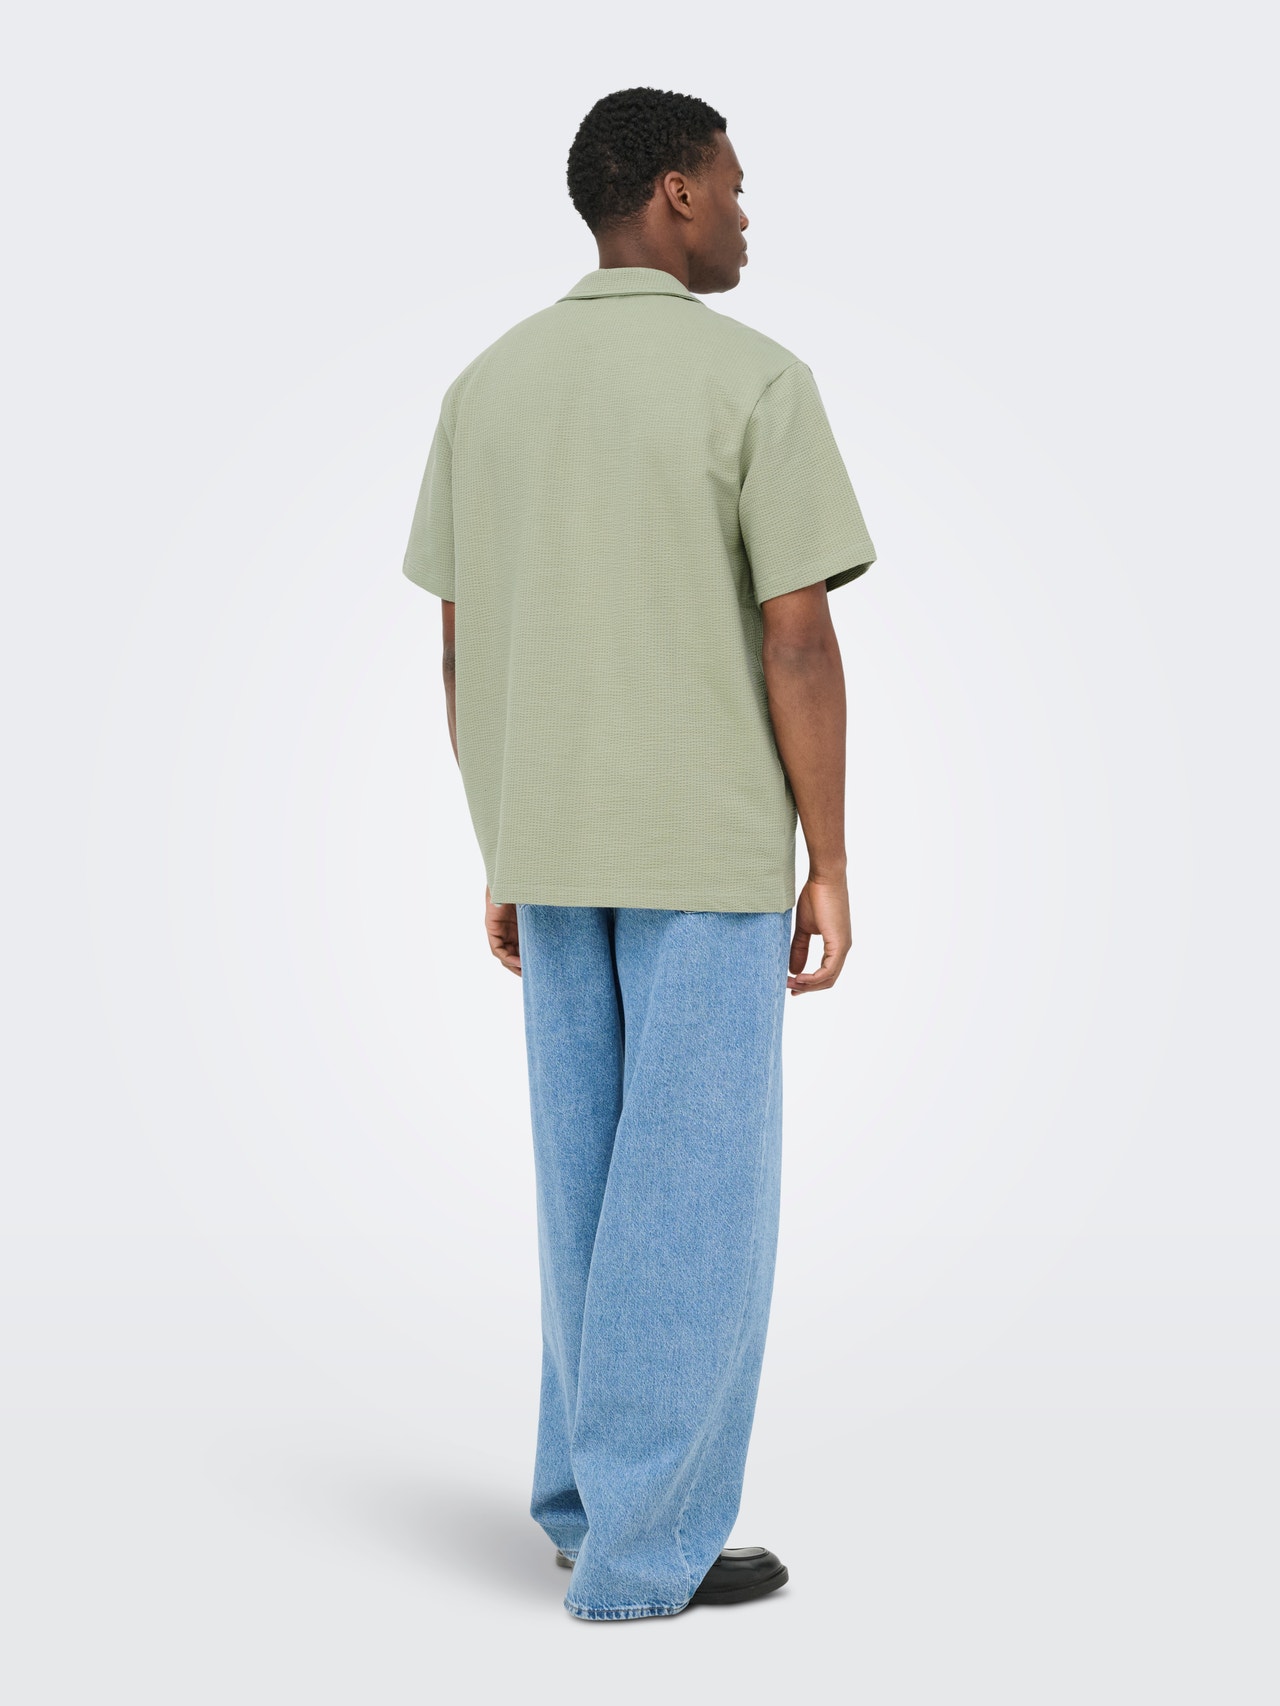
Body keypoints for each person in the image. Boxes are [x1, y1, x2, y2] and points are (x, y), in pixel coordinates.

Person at [402, 86, 877, 1622]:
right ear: (673, 192)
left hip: (552, 844)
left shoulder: (488, 386)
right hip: (704, 845)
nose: (743, 213)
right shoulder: (755, 380)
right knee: (693, 1197)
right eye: (732, 184)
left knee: (587, 1188)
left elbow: (464, 644)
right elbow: (796, 636)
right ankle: (644, 1551)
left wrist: (503, 843)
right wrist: (830, 855)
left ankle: (583, 1502)